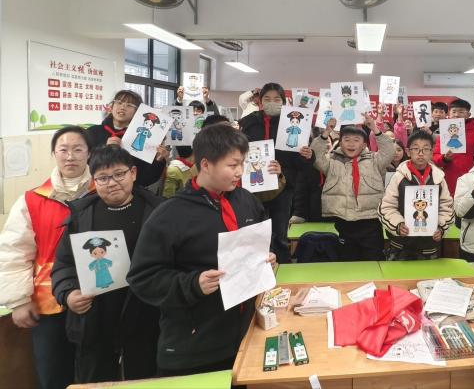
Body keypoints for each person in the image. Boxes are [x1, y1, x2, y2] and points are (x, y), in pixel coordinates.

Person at [127, 124, 275, 376]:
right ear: (205, 164)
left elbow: (260, 242)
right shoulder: (170, 214)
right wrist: (193, 284)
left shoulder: (246, 200)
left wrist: (266, 257)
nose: (240, 172)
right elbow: (142, 277)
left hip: (245, 335)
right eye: (232, 165)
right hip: (195, 347)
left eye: (242, 163)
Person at [51, 146, 162, 383]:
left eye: (119, 174)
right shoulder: (81, 216)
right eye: (102, 178)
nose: (111, 183)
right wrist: (68, 294)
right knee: (96, 381)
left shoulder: (160, 212)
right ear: (94, 180)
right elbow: (63, 264)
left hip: (147, 318)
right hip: (94, 322)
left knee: (145, 381)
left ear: (133, 173)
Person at [0, 126, 95, 389]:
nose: (70, 156)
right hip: (48, 305)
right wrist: (18, 301)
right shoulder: (31, 200)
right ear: (54, 154)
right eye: (63, 150)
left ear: (89, 153)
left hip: (96, 299)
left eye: (78, 149)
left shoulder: (103, 194)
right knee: (52, 375)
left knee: (95, 374)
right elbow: (13, 252)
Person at [240, 82, 312, 264]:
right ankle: (257, 270)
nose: (271, 102)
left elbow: (301, 163)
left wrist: (308, 155)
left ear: (284, 102)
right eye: (267, 98)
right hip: (253, 186)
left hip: (283, 187)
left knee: (280, 234)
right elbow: (238, 151)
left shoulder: (292, 122)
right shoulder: (247, 123)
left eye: (276, 99)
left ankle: (283, 270)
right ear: (260, 101)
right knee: (254, 233)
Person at [310, 115, 394, 261]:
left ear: (364, 144)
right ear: (340, 143)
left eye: (356, 140)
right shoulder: (332, 162)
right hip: (344, 223)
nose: (351, 144)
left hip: (371, 222)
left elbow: (389, 152)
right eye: (347, 139)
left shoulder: (375, 160)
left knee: (374, 262)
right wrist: (326, 132)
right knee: (348, 263)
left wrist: (374, 128)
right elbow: (315, 156)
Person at [379, 130, 455, 260]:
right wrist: (398, 225)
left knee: (429, 274)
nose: (421, 153)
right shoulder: (398, 177)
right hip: (400, 245)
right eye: (416, 149)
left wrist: (441, 228)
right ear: (408, 152)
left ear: (432, 152)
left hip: (429, 245)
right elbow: (387, 207)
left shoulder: (438, 178)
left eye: (426, 149)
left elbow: (447, 207)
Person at [86, 89, 168, 187]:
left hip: (129, 190)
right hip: (95, 188)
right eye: (119, 102)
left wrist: (158, 160)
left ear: (137, 112)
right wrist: (104, 150)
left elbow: (146, 178)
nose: (123, 107)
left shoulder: (142, 138)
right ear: (111, 107)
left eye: (129, 105)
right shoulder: (92, 132)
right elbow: (83, 165)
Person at [432, 98, 474, 195]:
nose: (456, 115)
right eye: (454, 111)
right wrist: (444, 158)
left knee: (472, 200)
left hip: (472, 178)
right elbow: (435, 157)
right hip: (450, 177)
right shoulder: (444, 133)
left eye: (461, 112)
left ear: (468, 114)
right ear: (449, 114)